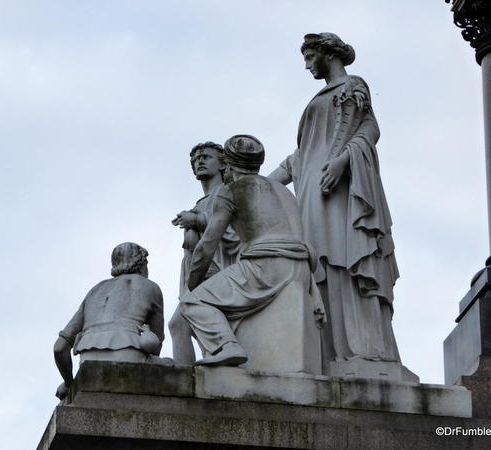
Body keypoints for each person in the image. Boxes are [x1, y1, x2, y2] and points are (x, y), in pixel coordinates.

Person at [269, 33, 400, 368]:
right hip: (310, 189)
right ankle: (327, 351)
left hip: (342, 189)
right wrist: (258, 185)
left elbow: (369, 132)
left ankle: (361, 347)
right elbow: (302, 154)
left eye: (310, 57)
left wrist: (343, 160)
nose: (307, 64)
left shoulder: (352, 86)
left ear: (327, 54)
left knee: (344, 256)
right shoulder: (320, 97)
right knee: (319, 263)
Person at [180, 135, 325, 366]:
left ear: (228, 164)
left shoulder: (232, 191)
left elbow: (208, 244)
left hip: (265, 266)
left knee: (193, 303)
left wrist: (194, 283)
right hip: (301, 269)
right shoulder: (283, 190)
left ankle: (227, 346)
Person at [53, 242, 164, 399]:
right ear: (141, 264)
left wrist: (69, 384)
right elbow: (156, 345)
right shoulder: (151, 287)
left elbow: (59, 348)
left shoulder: (95, 290)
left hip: (87, 360)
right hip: (130, 355)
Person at [169, 142, 240, 364]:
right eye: (195, 160)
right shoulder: (201, 202)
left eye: (206, 157)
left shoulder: (228, 192)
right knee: (178, 323)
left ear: (222, 164)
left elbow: (235, 233)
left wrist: (197, 220)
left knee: (182, 321)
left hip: (221, 269)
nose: (199, 161)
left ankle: (221, 355)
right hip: (198, 274)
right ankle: (186, 380)